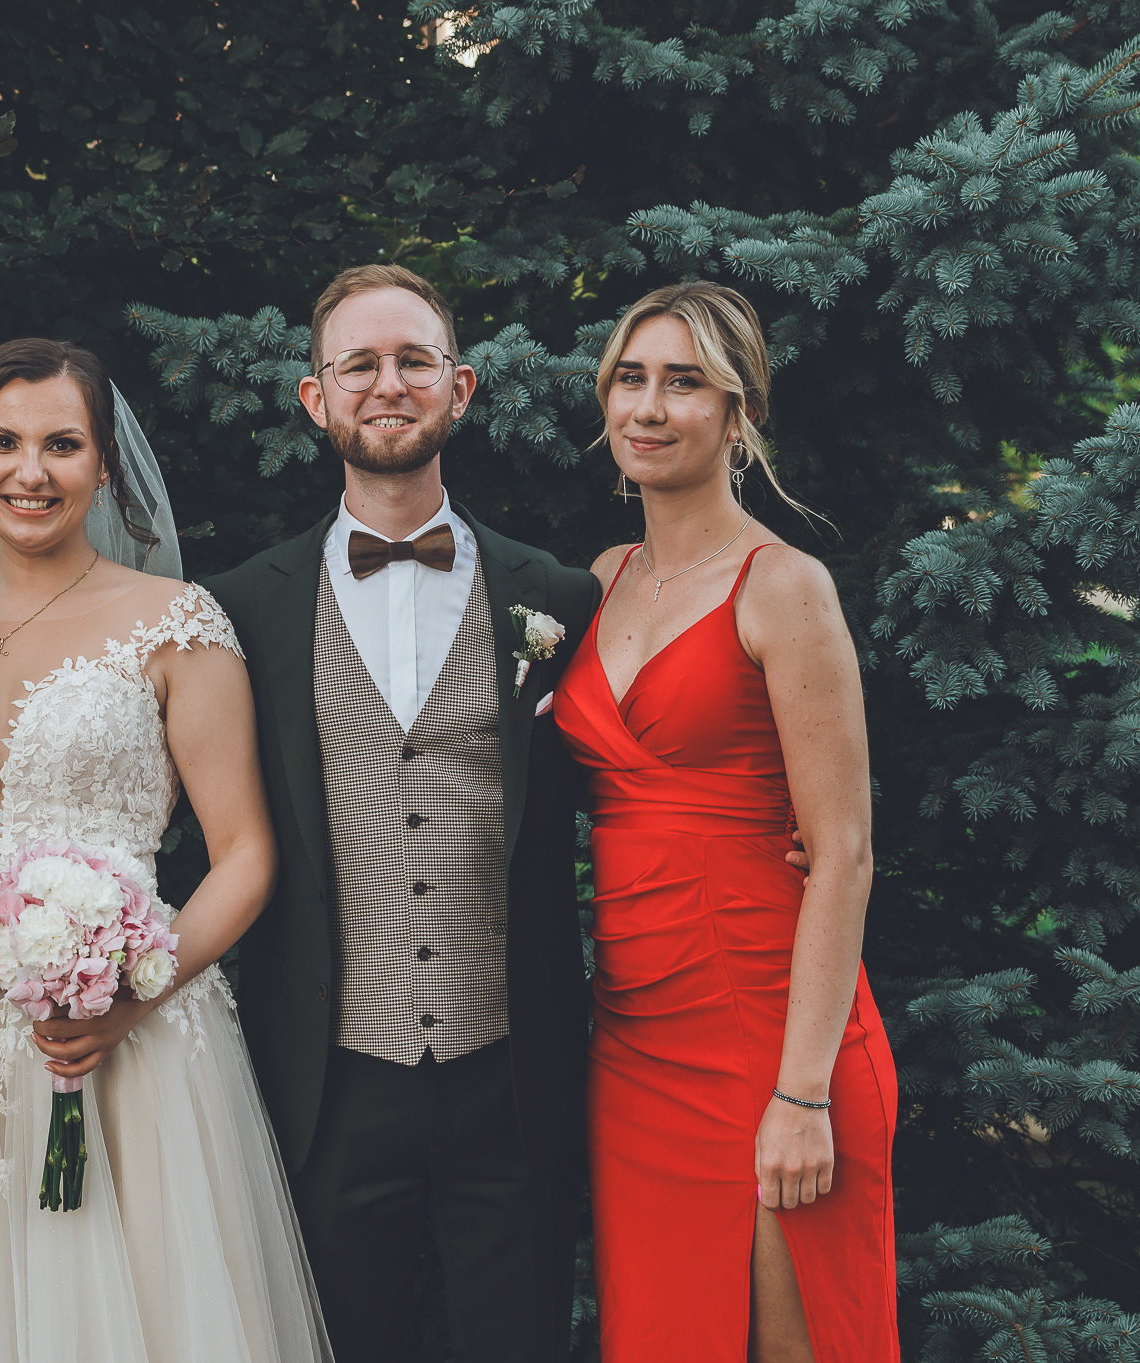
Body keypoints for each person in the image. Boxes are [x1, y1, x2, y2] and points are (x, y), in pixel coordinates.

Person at [0, 338, 331, 1362]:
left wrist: (133, 992)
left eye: (62, 444)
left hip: (128, 1030)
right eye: (2, 442)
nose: (31, 471)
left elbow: (243, 854)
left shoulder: (176, 624)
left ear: (104, 466)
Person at [205, 264, 601, 1362]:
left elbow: (630, 777)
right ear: (315, 397)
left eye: (414, 361)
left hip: (512, 1073)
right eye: (359, 365)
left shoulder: (558, 597)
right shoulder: (241, 607)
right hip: (327, 1076)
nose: (388, 385)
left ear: (459, 388)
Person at [550, 281, 899, 1362]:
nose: (648, 407)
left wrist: (801, 1092)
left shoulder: (783, 585)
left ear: (737, 413)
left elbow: (842, 852)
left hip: (771, 1029)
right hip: (633, 1041)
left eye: (684, 382)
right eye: (630, 379)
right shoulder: (599, 580)